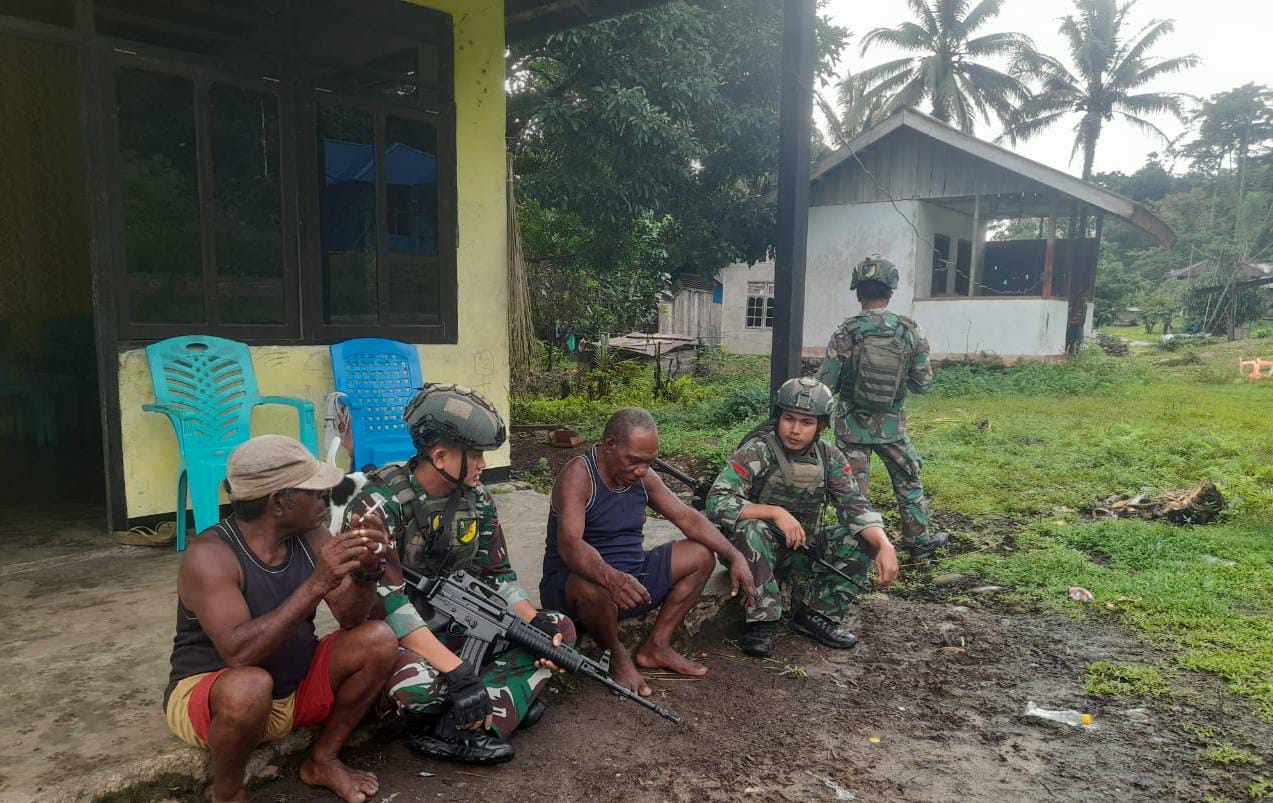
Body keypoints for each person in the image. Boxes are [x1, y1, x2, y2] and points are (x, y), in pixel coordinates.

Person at [339, 383, 573, 766]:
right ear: (440, 456)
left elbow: (498, 574)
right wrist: (457, 671)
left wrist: (536, 623)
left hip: (458, 624)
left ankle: (467, 719)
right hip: (399, 637)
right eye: (476, 454)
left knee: (558, 630)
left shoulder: (477, 499)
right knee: (416, 685)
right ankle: (494, 707)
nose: (483, 464)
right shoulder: (377, 506)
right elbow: (389, 606)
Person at [163, 435, 398, 803]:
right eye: (315, 492)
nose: (325, 498)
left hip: (290, 688)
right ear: (279, 502)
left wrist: (368, 570)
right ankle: (227, 793)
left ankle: (322, 759)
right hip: (219, 700)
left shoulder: (311, 535)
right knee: (250, 686)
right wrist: (316, 584)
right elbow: (239, 654)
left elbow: (351, 618)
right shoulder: (210, 555)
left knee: (378, 639)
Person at [541, 407, 756, 697]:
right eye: (634, 461)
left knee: (700, 555)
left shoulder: (642, 476)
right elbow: (570, 545)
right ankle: (617, 656)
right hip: (576, 590)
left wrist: (735, 555)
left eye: (648, 462)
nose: (641, 470)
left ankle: (656, 647)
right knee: (593, 587)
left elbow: (687, 517)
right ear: (610, 445)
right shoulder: (578, 476)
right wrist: (611, 578)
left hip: (631, 582)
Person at [706, 377, 898, 657]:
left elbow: (855, 507)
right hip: (750, 550)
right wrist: (775, 512)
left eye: (807, 422)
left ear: (821, 426)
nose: (795, 430)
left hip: (800, 548)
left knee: (861, 540)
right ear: (778, 417)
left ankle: (817, 615)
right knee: (753, 528)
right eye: (789, 419)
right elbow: (716, 501)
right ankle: (762, 622)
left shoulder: (828, 456)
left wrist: (884, 544)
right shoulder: (758, 450)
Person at [817, 254, 948, 560]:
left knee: (852, 490)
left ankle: (857, 549)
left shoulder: (846, 332)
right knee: (908, 480)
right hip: (892, 428)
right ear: (891, 291)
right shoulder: (909, 330)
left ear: (858, 292)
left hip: (851, 427)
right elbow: (923, 384)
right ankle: (918, 542)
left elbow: (825, 385)